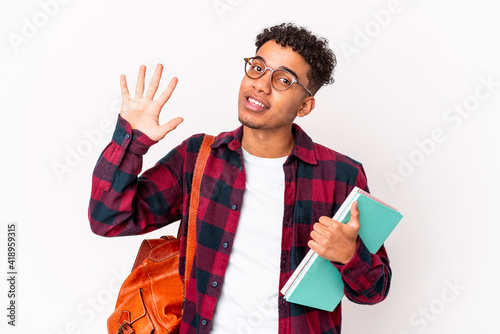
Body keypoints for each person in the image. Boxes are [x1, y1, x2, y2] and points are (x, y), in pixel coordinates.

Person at [89, 22, 391, 334]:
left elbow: (374, 291)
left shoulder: (340, 175)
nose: (261, 84)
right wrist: (133, 142)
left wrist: (348, 255)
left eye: (283, 79)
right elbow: (108, 219)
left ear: (305, 105)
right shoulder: (198, 158)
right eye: (257, 68)